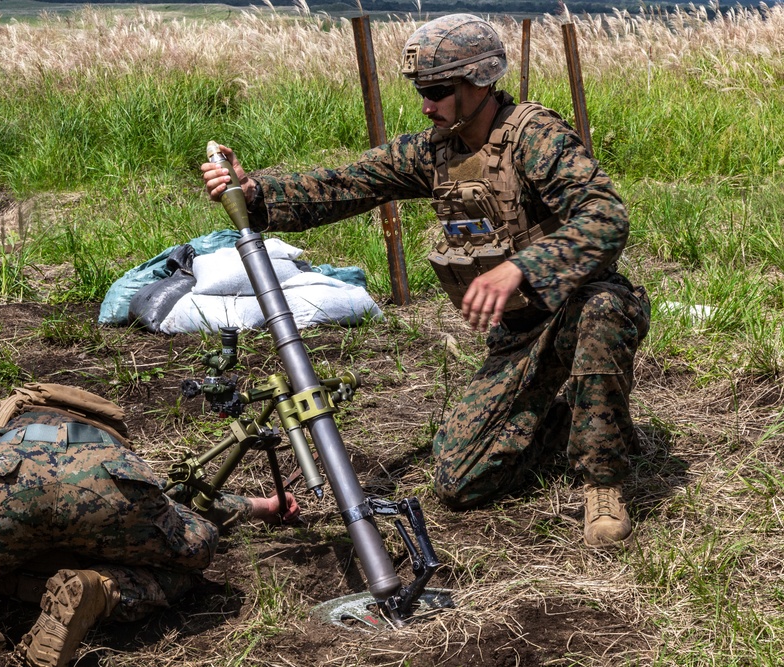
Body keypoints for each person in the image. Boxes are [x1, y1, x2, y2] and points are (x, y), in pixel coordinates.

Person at [201, 14, 649, 548]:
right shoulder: (435, 151)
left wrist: (522, 267)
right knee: (460, 482)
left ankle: (603, 480)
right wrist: (255, 191)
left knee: (603, 309)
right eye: (421, 90)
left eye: (438, 91)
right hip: (520, 331)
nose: (426, 104)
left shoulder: (537, 137)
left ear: (479, 83)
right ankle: (569, 417)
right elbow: (348, 180)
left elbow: (606, 216)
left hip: (579, 308)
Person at [0, 389, 299, 667]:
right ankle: (100, 589)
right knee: (187, 564)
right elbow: (175, 500)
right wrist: (262, 505)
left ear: (20, 406)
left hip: (3, 478)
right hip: (110, 479)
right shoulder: (108, 438)